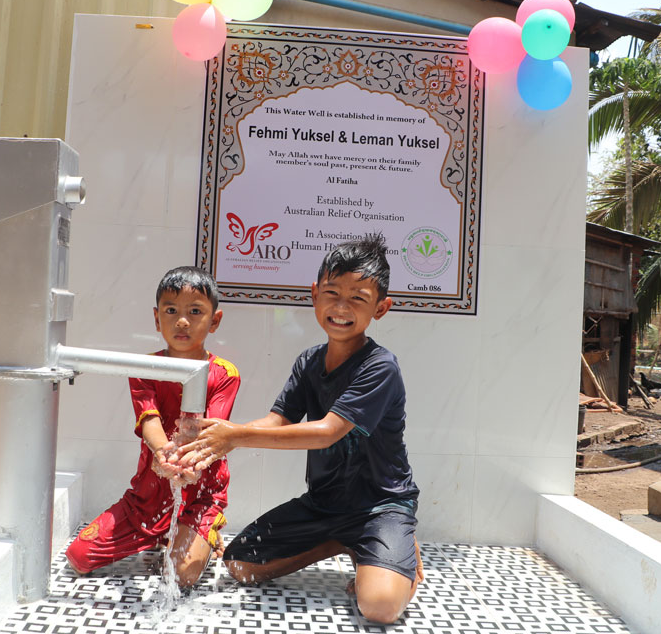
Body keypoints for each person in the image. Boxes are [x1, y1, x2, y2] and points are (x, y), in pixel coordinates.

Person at [176, 233, 422, 624]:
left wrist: (235, 435)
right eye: (332, 293)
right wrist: (217, 434)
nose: (341, 307)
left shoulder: (380, 367)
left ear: (381, 307)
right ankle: (346, 543)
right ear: (314, 294)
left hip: (380, 506)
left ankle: (397, 551)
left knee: (378, 607)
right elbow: (278, 421)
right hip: (324, 503)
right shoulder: (309, 361)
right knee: (240, 564)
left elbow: (328, 431)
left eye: (358, 297)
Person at [65, 266, 240, 586]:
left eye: (195, 311)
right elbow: (150, 419)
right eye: (171, 310)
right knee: (80, 556)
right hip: (148, 495)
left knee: (182, 577)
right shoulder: (145, 369)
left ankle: (205, 527)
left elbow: (210, 433)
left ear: (214, 321)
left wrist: (188, 463)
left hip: (200, 488)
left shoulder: (224, 373)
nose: (182, 320)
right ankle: (160, 536)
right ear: (157, 318)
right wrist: (164, 453)